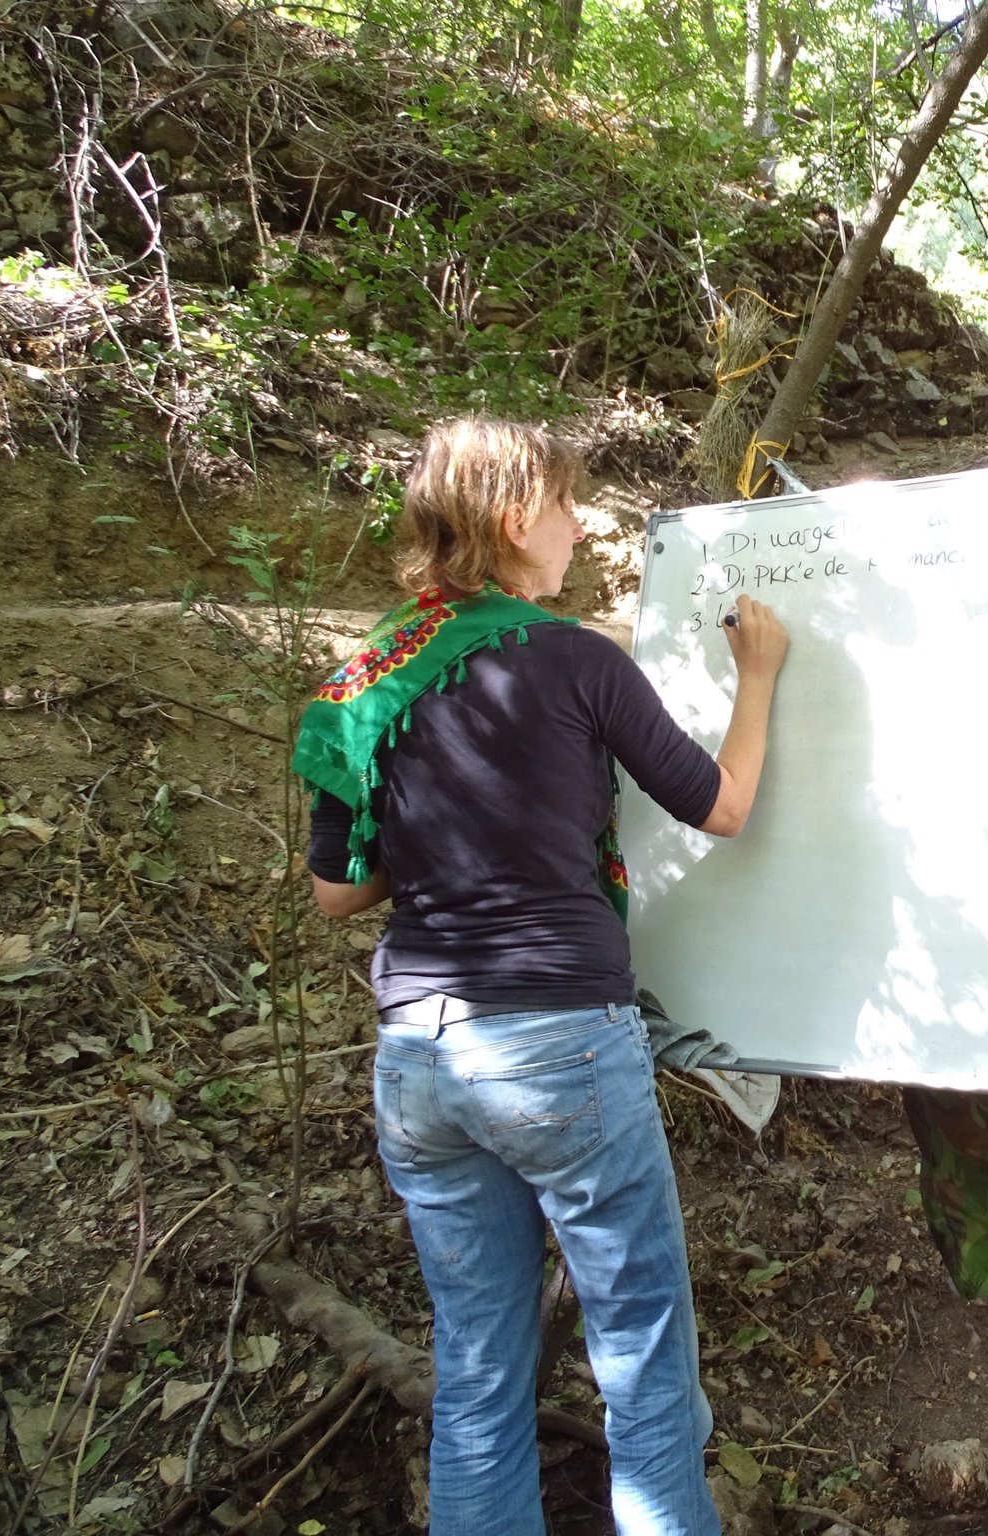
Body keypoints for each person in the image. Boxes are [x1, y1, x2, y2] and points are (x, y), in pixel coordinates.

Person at [294, 417, 788, 1535]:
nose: (580, 528)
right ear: (517, 519)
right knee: (641, 1361)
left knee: (475, 1369)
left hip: (419, 1056)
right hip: (559, 1042)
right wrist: (756, 677)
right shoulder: (575, 661)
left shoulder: (364, 677)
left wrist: (445, 838)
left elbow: (336, 893)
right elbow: (723, 805)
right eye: (568, 507)